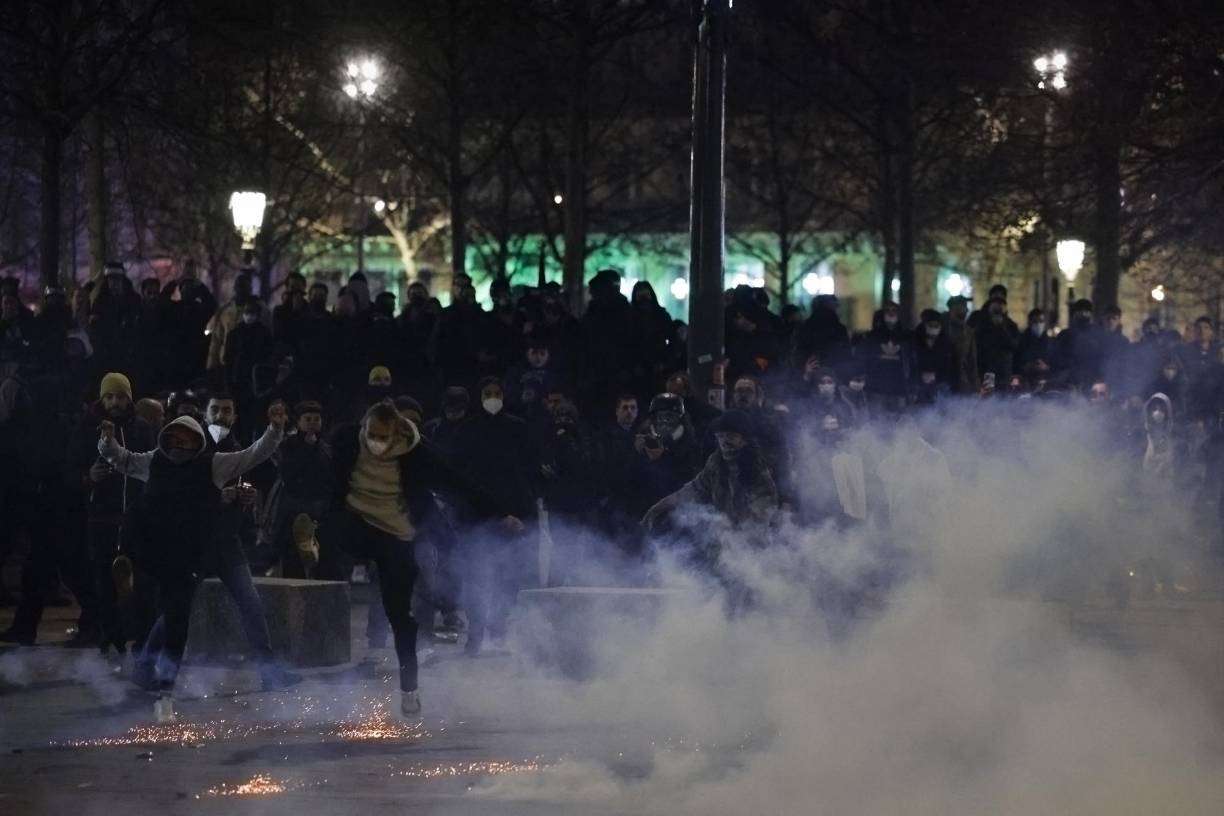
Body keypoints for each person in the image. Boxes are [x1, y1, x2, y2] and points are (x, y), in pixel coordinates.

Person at [299, 400, 521, 718]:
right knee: (336, 536)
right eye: (370, 435)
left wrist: (500, 512)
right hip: (355, 523)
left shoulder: (416, 454)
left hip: (397, 535)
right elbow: (325, 476)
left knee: (400, 614)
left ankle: (409, 690)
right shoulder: (346, 440)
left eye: (383, 438)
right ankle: (317, 541)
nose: (376, 443)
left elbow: (457, 482)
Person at [99, 401, 288, 695]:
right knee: (175, 612)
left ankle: (269, 672)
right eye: (172, 436)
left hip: (223, 544)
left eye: (183, 437)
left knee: (250, 605)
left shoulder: (212, 463)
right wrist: (107, 441)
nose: (177, 442)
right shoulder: (156, 462)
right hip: (185, 552)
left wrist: (275, 430)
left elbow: (254, 454)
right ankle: (148, 668)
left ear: (196, 441)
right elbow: (122, 459)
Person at [944, 295, 979, 394]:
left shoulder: (968, 332)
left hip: (962, 382)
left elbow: (972, 361)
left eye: (965, 306)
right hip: (944, 381)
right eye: (962, 306)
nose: (966, 309)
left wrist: (975, 387)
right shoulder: (941, 327)